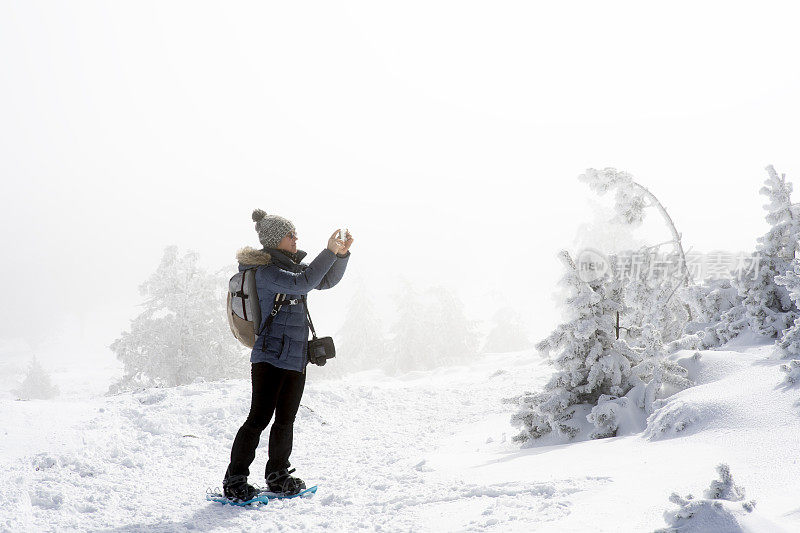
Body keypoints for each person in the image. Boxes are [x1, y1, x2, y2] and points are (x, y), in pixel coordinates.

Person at [223, 208, 352, 501]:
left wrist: (340, 255)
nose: (295, 239)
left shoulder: (293, 269)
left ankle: (278, 474)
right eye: (290, 235)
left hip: (295, 357)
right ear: (274, 240)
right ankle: (235, 480)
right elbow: (304, 283)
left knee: (285, 419)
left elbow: (325, 281)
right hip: (269, 357)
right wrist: (327, 251)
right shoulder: (266, 273)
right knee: (259, 418)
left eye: (295, 234)